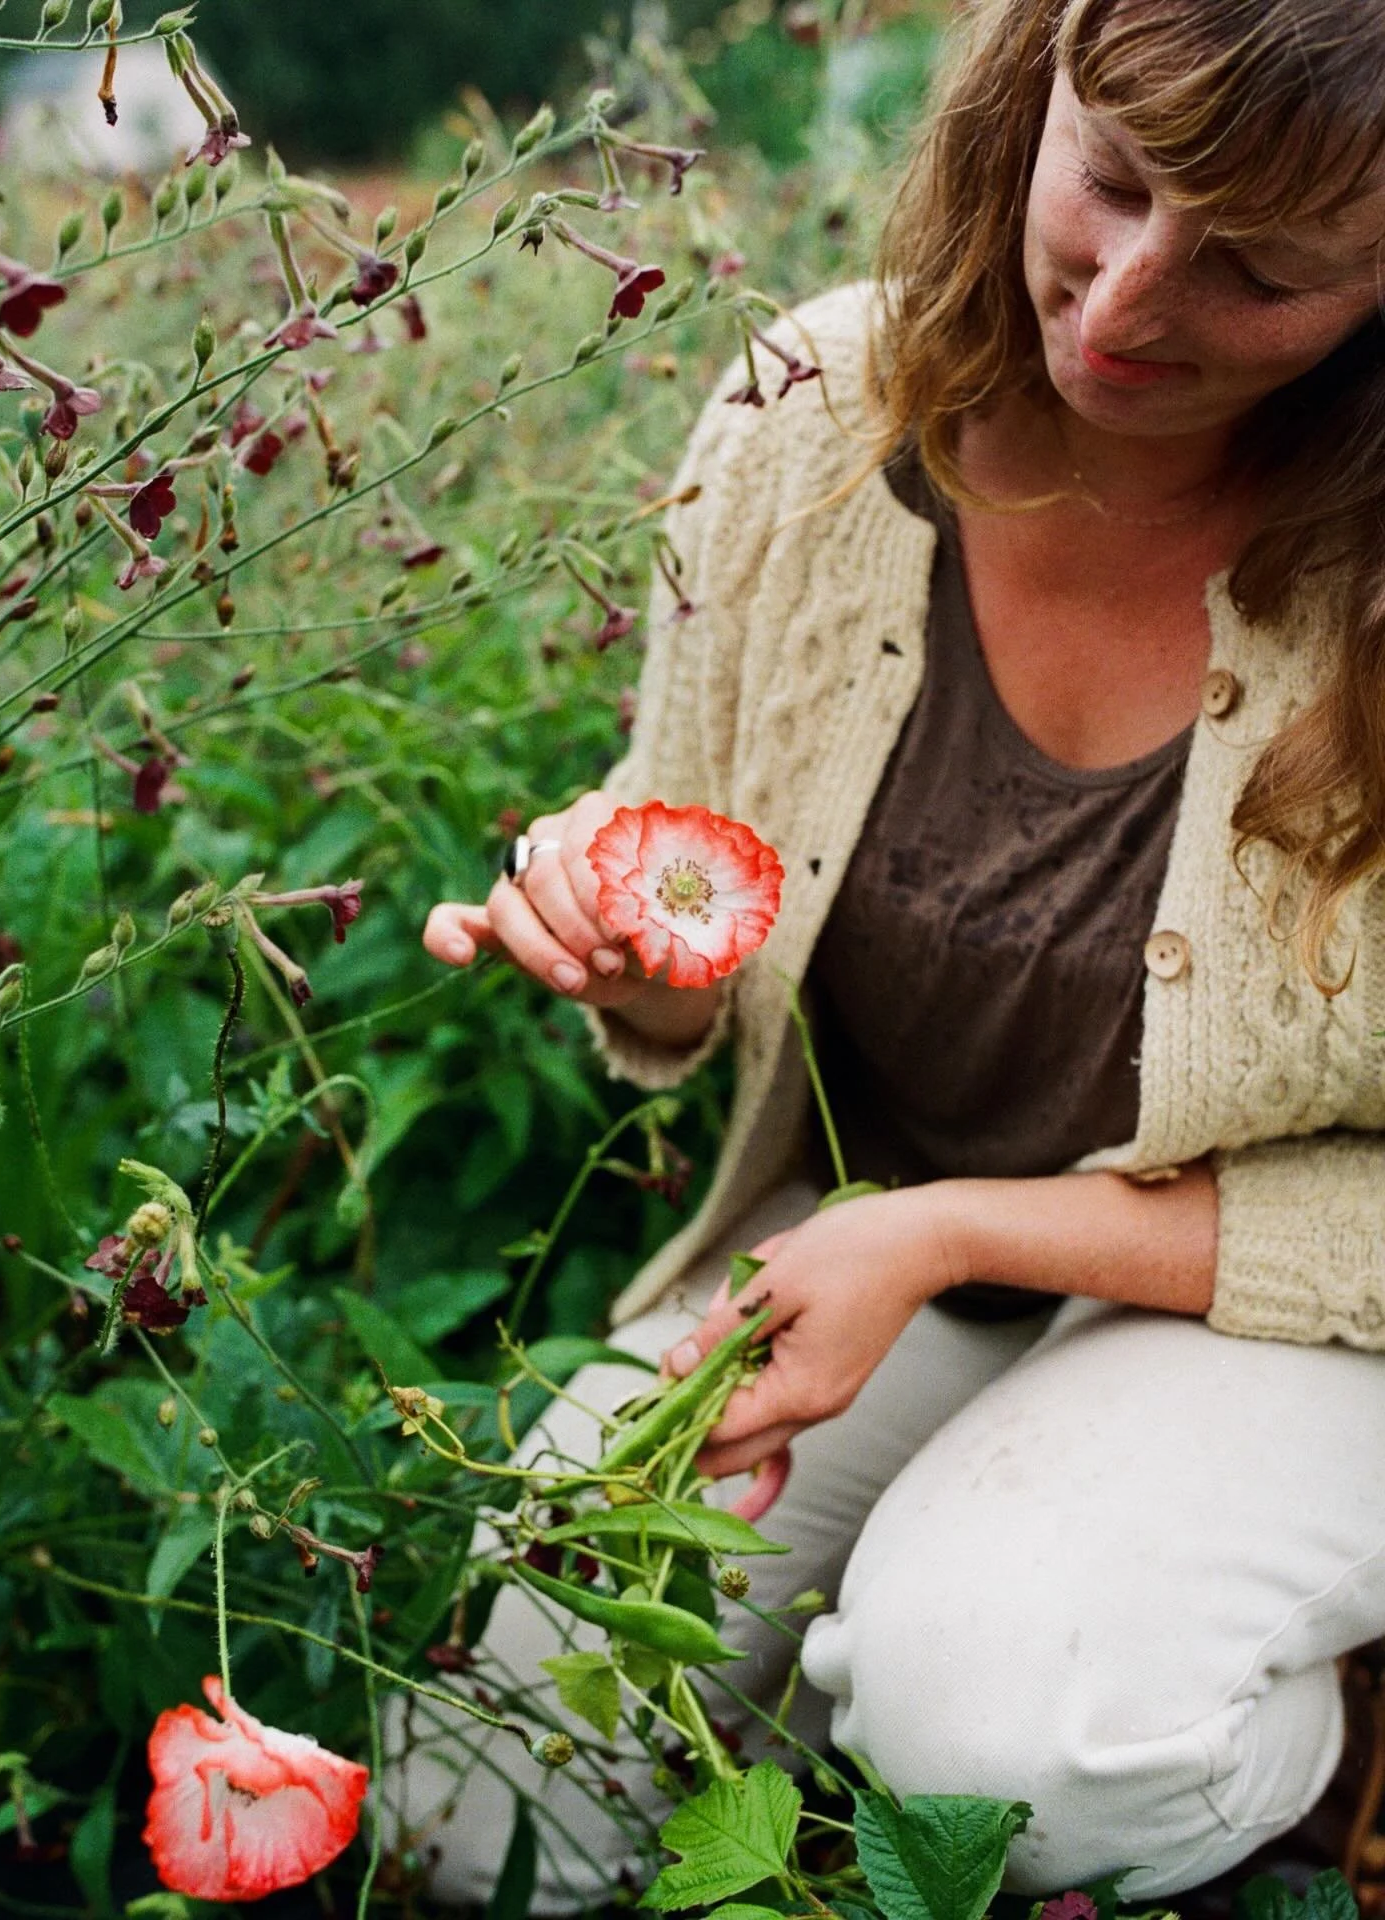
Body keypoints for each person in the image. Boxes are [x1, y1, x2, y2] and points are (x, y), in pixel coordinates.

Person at [412, 0, 1385, 1905]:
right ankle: (906, 1618)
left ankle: (1292, 1768)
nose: (1121, 306)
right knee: (482, 1808)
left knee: (1014, 1735)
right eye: (1109, 179)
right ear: (1036, 93)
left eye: (1260, 271)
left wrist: (952, 1227)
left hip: (1295, 1306)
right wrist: (626, 957)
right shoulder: (811, 414)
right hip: (886, 1267)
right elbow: (683, 839)